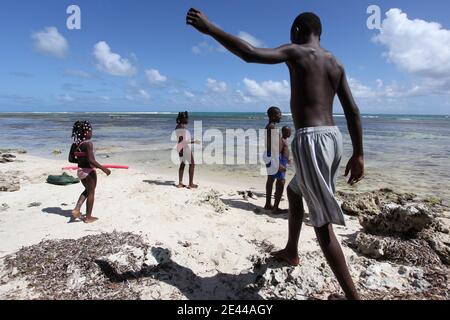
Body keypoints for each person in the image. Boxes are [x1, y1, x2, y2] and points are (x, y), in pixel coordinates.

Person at [186, 9, 365, 300]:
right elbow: (353, 111)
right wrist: (358, 154)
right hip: (334, 139)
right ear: (320, 34)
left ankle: (353, 298)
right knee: (295, 191)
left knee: (322, 225)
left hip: (311, 140)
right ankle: (291, 251)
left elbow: (250, 53)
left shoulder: (296, 51)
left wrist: (211, 30)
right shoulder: (335, 62)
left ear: (296, 30)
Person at [69, 121, 111, 223]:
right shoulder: (88, 144)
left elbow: (71, 159)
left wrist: (80, 160)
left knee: (87, 191)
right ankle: (88, 217)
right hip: (89, 172)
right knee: (91, 193)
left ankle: (77, 209)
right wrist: (104, 169)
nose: (92, 133)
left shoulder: (75, 145)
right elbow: (91, 160)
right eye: (91, 131)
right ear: (85, 132)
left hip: (80, 171)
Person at [264, 106, 282, 210]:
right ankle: (274, 206)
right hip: (272, 155)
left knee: (271, 179)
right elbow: (275, 146)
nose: (281, 116)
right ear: (273, 116)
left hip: (269, 154)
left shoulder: (270, 126)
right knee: (280, 180)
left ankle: (268, 204)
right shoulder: (272, 127)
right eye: (279, 114)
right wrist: (278, 161)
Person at [272, 126, 292, 214]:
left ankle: (275, 207)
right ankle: (275, 208)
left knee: (280, 184)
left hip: (283, 162)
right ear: (285, 132)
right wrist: (279, 165)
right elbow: (276, 153)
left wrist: (288, 160)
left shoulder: (285, 140)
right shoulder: (281, 141)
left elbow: (283, 153)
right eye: (289, 132)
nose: (290, 133)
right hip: (280, 164)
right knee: (281, 183)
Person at [175, 111, 198, 189]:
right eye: (187, 118)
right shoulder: (182, 128)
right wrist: (194, 141)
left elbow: (180, 140)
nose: (188, 120)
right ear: (183, 118)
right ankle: (191, 184)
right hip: (184, 147)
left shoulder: (177, 126)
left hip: (180, 147)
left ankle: (180, 183)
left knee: (183, 164)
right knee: (192, 164)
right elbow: (184, 141)